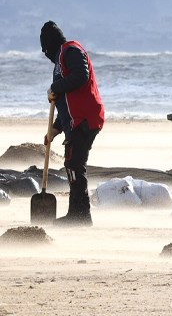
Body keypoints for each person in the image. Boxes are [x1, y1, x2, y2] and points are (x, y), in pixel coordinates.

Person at [40, 20, 104, 226]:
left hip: (85, 119)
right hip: (75, 119)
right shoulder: (60, 59)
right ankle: (76, 213)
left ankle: (81, 215)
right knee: (73, 163)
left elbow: (81, 76)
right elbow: (67, 104)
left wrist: (56, 87)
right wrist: (55, 129)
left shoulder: (71, 50)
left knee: (74, 164)